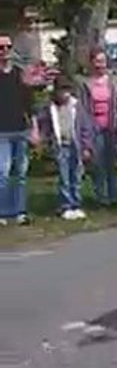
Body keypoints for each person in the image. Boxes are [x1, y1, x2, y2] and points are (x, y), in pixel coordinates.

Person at [77, 46, 117, 208]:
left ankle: (114, 196)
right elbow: (81, 107)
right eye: (97, 61)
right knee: (98, 164)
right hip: (93, 127)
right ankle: (101, 197)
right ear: (91, 63)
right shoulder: (84, 83)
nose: (101, 65)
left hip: (112, 126)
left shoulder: (114, 80)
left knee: (112, 162)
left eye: (103, 61)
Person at [37, 76, 92, 221]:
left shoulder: (76, 106)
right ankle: (66, 205)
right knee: (64, 177)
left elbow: (85, 127)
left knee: (76, 175)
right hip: (61, 146)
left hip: (75, 145)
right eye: (62, 90)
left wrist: (86, 146)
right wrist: (45, 141)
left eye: (67, 90)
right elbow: (45, 126)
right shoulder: (50, 108)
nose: (65, 94)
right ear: (56, 91)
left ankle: (76, 204)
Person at [0, 34, 39, 226]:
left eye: (8, 47)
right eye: (1, 48)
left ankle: (19, 211)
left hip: (20, 130)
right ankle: (3, 212)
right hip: (2, 133)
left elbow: (29, 104)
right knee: (3, 173)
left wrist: (34, 129)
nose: (5, 51)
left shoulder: (19, 74)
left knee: (20, 174)